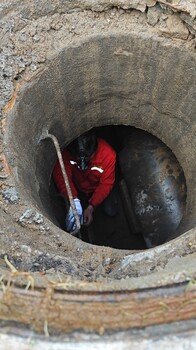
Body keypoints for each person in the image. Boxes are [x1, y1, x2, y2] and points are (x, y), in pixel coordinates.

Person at [53, 130, 117, 232]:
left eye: (88, 157)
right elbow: (62, 174)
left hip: (96, 188)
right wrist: (73, 200)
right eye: (79, 158)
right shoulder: (66, 153)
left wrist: (91, 206)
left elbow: (106, 183)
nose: (84, 161)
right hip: (78, 188)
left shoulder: (108, 154)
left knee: (110, 210)